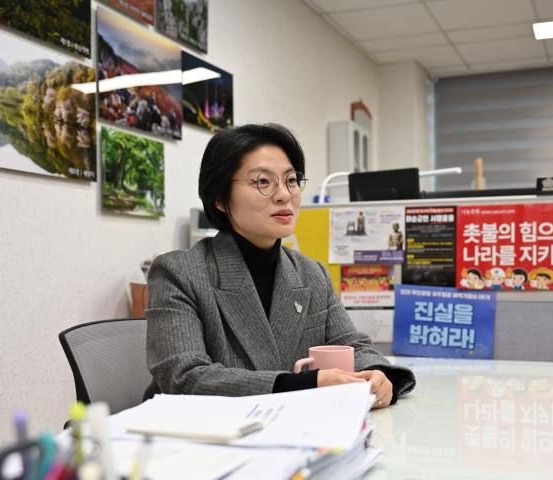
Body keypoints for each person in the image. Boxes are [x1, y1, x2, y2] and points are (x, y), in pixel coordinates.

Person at [144, 123, 416, 408]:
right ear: (221, 198)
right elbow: (184, 377)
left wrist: (377, 375)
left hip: (297, 428)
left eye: (291, 180)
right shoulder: (179, 273)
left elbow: (354, 345)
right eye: (263, 182)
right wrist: (304, 385)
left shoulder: (312, 274)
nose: (284, 194)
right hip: (203, 432)